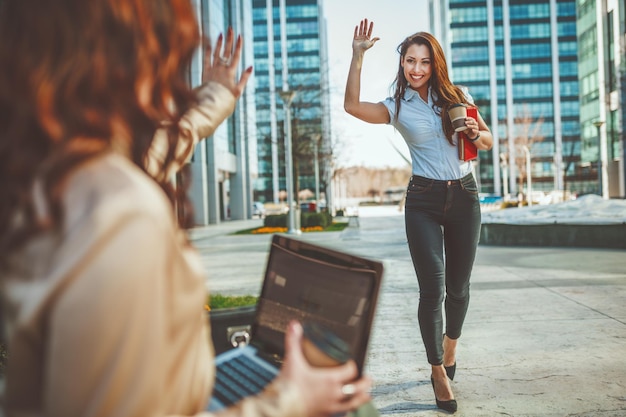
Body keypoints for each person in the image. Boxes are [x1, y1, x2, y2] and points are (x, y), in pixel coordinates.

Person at [0, 1, 372, 416]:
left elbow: (156, 150)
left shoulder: (48, 172)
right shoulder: (119, 215)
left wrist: (213, 100)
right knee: (355, 406)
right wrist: (290, 400)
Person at [344, 19, 493, 413]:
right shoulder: (397, 106)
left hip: (465, 197)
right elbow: (352, 106)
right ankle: (437, 372)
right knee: (434, 290)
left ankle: (450, 348)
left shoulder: (457, 95)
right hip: (423, 201)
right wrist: (357, 56)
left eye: (424, 62)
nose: (416, 69)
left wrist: (473, 132)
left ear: (435, 64)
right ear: (403, 64)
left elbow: (489, 139)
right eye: (410, 61)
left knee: (459, 289)